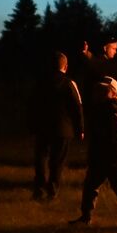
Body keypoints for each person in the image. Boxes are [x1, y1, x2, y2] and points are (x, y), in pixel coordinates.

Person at [70, 77, 117, 228]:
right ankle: (86, 216)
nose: (97, 92)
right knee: (91, 184)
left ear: (111, 92)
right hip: (102, 152)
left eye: (102, 90)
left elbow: (115, 136)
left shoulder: (111, 109)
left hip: (111, 154)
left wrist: (111, 155)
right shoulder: (102, 107)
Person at [30, 52, 84, 200]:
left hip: (43, 126)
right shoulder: (69, 83)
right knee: (57, 161)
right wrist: (81, 128)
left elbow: (33, 105)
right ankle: (52, 189)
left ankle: (39, 188)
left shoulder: (41, 82)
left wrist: (33, 124)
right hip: (63, 129)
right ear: (65, 67)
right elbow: (77, 107)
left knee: (41, 158)